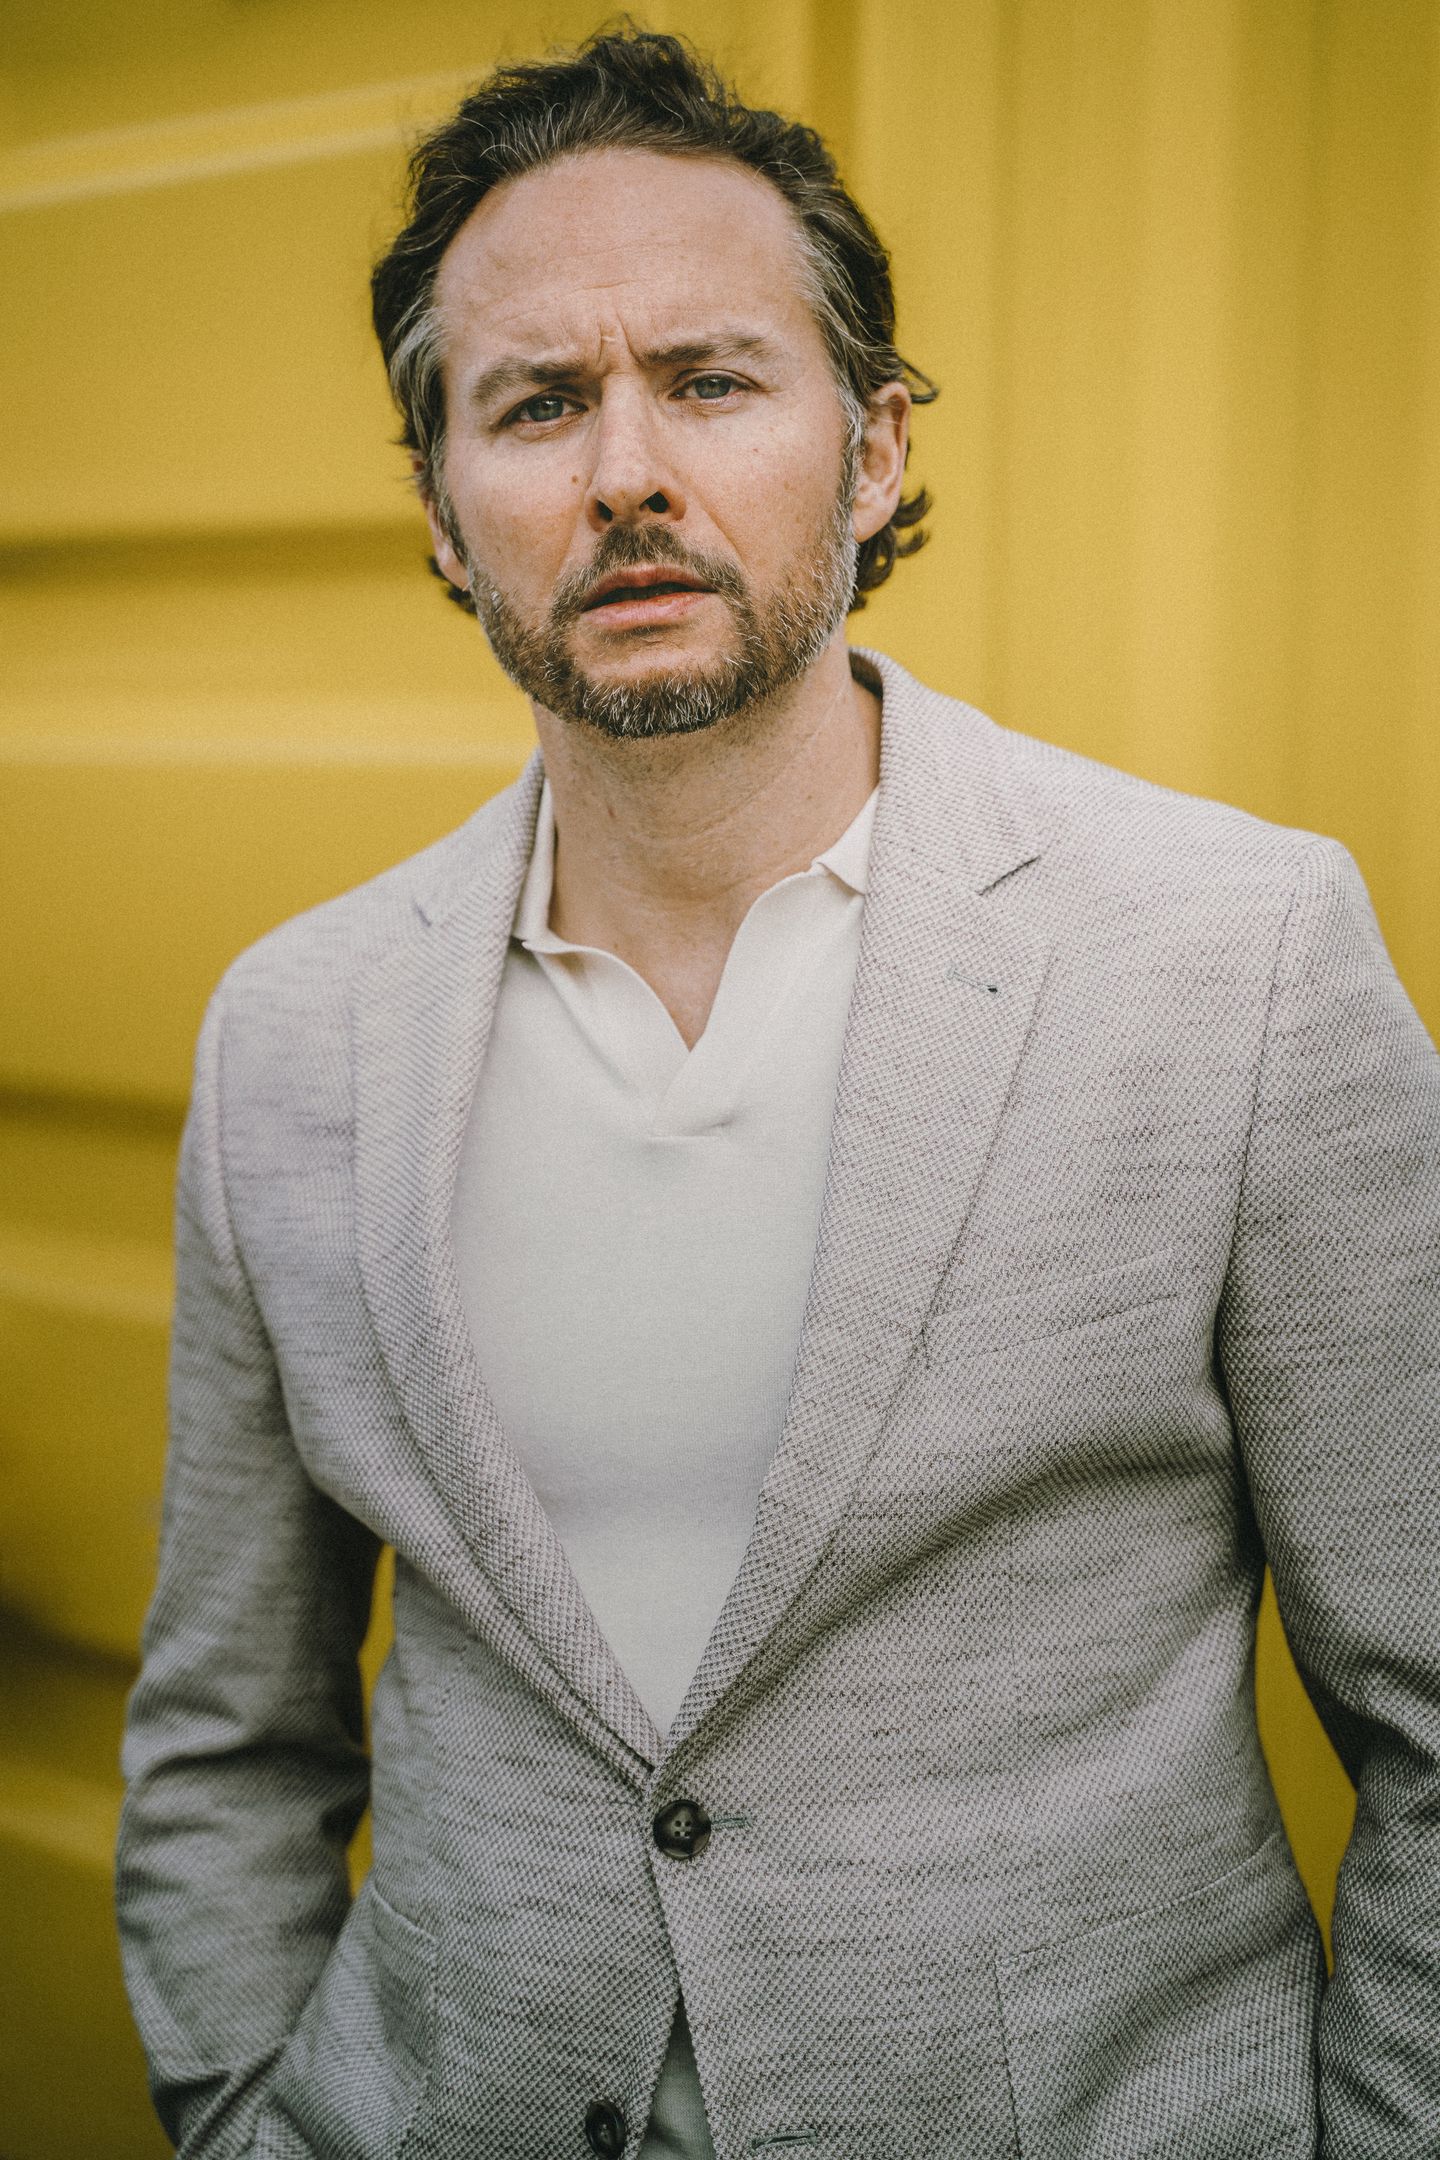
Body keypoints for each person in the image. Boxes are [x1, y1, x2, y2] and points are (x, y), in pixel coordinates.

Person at [115, 27, 1440, 2160]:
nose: (626, 471)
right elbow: (227, 1733)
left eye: (713, 381)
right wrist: (245, 2115)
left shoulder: (1239, 957)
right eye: (536, 404)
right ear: (444, 515)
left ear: (876, 448)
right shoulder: (295, 1030)